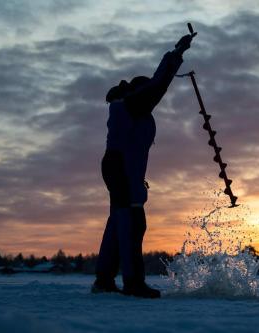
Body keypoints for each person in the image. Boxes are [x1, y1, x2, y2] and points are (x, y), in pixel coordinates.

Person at [92, 33, 194, 298]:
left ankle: (104, 279)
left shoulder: (131, 108)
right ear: (139, 91)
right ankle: (133, 282)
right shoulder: (133, 104)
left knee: (119, 221)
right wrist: (176, 53)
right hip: (121, 169)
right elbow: (158, 84)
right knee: (132, 222)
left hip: (120, 169)